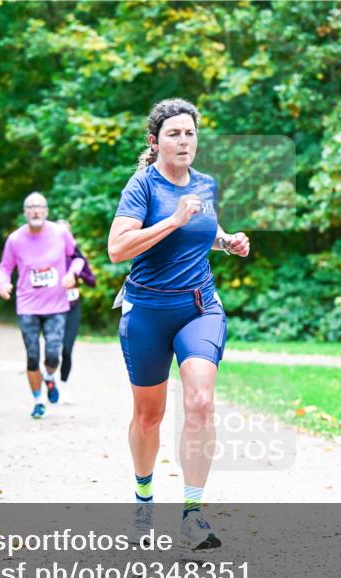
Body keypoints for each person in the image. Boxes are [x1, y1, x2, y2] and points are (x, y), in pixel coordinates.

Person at [107, 98, 249, 550]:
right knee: (149, 417)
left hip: (198, 307)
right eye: (174, 134)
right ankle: (144, 502)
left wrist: (227, 242)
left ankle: (192, 515)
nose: (183, 140)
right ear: (155, 141)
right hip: (147, 310)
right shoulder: (142, 186)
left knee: (202, 401)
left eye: (189, 133)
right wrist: (171, 220)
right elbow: (117, 249)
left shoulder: (205, 185)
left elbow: (204, 228)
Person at [0, 192, 84, 418]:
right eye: (30, 207)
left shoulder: (60, 233)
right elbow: (4, 268)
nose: (35, 210)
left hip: (56, 306)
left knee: (54, 356)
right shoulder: (15, 239)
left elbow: (77, 258)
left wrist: (72, 274)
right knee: (33, 356)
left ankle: (49, 376)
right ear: (25, 212)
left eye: (40, 206)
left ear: (46, 210)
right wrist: (3, 283)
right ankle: (38, 400)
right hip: (27, 307)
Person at [57, 220, 97, 389]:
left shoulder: (77, 258)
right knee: (52, 349)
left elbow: (92, 282)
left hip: (72, 306)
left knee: (67, 349)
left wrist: (79, 275)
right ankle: (49, 379)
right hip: (53, 308)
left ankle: (63, 385)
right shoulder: (47, 256)